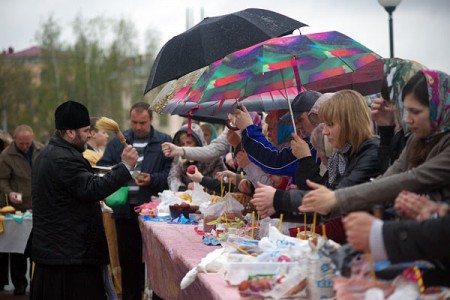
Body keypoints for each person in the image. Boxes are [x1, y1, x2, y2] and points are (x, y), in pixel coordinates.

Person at [299, 70, 450, 217]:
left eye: (415, 112)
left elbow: (411, 178)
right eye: (405, 111)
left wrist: (335, 198)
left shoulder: (371, 149)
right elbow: (391, 175)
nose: (408, 120)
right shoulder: (417, 139)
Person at [30, 100, 138, 300]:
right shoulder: (64, 158)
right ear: (70, 132)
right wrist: (125, 167)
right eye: (86, 130)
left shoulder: (49, 153)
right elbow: (91, 189)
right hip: (69, 257)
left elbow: (78, 189)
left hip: (59, 252)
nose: (90, 134)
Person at [251, 90, 380, 243]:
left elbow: (334, 199)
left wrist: (279, 199)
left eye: (330, 124)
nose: (324, 131)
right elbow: (322, 203)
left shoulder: (370, 152)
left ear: (349, 122)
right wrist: (280, 209)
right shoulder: (343, 156)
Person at [97, 102, 173, 300]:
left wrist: (152, 179)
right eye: (134, 122)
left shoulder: (163, 141)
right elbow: (103, 168)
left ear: (151, 120)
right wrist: (121, 169)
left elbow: (171, 175)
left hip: (152, 212)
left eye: (142, 123)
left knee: (155, 262)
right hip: (124, 210)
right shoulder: (116, 143)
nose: (138, 127)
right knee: (128, 263)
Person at [0, 125, 43, 295]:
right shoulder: (5, 156)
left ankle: (37, 282)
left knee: (38, 246)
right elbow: (2, 179)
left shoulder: (41, 150)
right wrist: (9, 192)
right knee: (19, 247)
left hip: (39, 204)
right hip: (18, 207)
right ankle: (19, 284)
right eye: (21, 143)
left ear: (32, 139)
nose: (25, 146)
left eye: (27, 143)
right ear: (15, 140)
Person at [371, 58, 427, 173]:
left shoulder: (438, 139)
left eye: (395, 101)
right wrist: (386, 129)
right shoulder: (401, 136)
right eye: (388, 102)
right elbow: (387, 174)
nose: (391, 109)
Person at [168, 123, 225, 192]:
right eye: (182, 144)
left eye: (189, 142)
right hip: (186, 198)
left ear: (198, 142)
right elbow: (173, 177)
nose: (185, 146)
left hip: (210, 198)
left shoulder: (213, 158)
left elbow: (221, 182)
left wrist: (200, 185)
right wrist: (182, 188)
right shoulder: (179, 158)